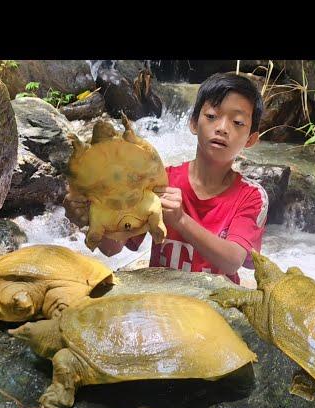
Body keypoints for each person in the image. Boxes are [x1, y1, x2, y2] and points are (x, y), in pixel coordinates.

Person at [66, 72, 267, 285]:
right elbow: (112, 248)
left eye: (237, 122)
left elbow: (232, 261)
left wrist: (181, 221)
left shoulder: (251, 196)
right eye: (211, 116)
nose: (222, 128)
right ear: (193, 123)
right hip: (162, 304)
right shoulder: (158, 180)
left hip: (216, 309)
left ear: (251, 139)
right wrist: (88, 217)